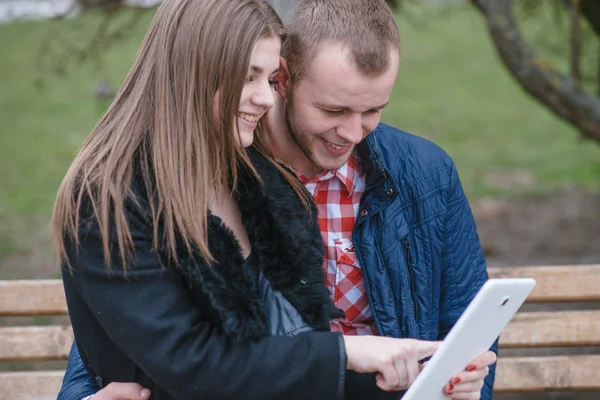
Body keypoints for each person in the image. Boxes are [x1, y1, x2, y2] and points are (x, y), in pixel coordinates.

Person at [59, 0, 498, 399]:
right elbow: (137, 340)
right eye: (332, 110)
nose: (265, 97)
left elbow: (285, 352)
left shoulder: (252, 178)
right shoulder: (121, 194)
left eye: (372, 110)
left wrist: (433, 381)